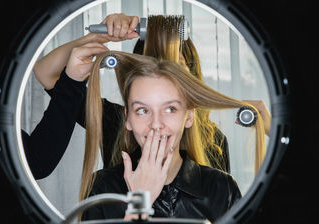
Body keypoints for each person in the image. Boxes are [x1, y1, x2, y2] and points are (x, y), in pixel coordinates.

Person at [29, 14, 233, 179]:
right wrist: (97, 38)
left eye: (175, 67)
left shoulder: (214, 142)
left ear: (192, 77)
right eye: (150, 65)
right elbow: (45, 72)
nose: (161, 76)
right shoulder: (113, 120)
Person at [79, 51, 266, 222]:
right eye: (143, 110)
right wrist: (140, 201)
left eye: (170, 109)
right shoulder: (101, 188)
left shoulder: (222, 189)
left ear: (189, 116)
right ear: (127, 118)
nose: (156, 124)